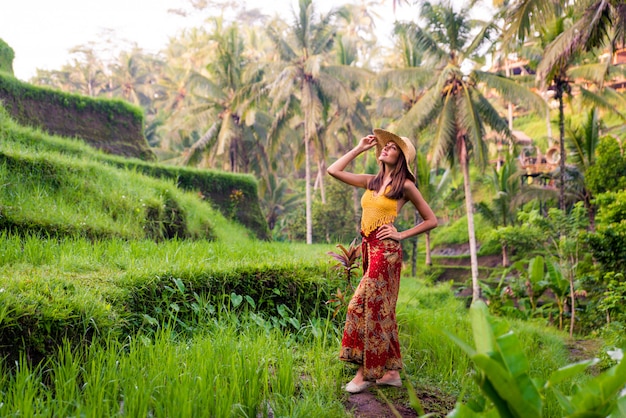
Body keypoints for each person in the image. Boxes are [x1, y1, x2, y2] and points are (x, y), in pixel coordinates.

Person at [327, 128, 438, 394]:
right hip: (369, 249)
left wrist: (401, 234)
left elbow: (431, 220)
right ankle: (390, 372)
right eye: (385, 146)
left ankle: (365, 373)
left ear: (401, 157)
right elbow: (334, 170)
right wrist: (359, 148)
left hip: (386, 252)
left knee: (360, 308)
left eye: (393, 147)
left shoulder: (405, 187)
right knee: (381, 310)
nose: (386, 148)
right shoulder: (371, 182)